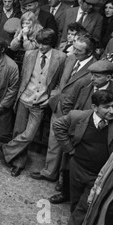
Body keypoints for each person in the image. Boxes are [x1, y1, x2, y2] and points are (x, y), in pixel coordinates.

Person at [1, 28, 67, 177]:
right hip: (25, 98)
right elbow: (24, 77)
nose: (41, 47)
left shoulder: (61, 57)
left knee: (29, 135)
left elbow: (60, 83)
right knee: (18, 131)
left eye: (45, 44)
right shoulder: (29, 54)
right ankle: (18, 163)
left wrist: (50, 99)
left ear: (52, 43)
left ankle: (6, 149)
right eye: (39, 43)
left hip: (41, 103)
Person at [36, 33, 97, 189]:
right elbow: (61, 81)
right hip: (59, 107)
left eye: (79, 50)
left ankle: (62, 182)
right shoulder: (70, 58)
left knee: (68, 148)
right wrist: (54, 98)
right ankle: (49, 172)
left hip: (75, 114)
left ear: (89, 53)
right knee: (53, 142)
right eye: (74, 48)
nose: (74, 52)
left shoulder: (94, 70)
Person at [53, 90, 113, 225]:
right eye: (106, 107)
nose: (112, 110)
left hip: (97, 176)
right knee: (75, 203)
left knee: (85, 206)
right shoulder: (78, 116)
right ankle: (78, 224)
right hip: (77, 168)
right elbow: (58, 126)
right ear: (95, 107)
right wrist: (69, 149)